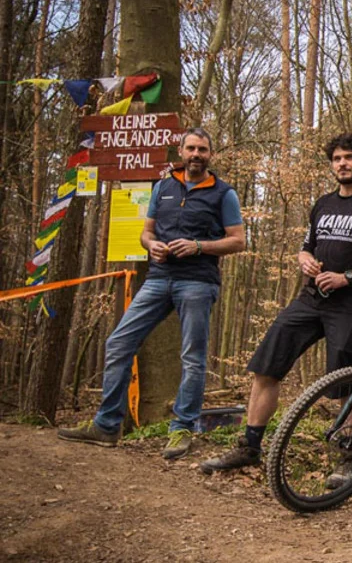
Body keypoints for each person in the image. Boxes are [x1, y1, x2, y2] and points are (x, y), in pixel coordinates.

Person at [198, 133, 352, 483]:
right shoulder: (322, 204)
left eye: (349, 157)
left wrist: (347, 277)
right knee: (266, 366)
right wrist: (305, 260)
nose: (342, 164)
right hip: (310, 299)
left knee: (345, 382)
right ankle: (250, 446)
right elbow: (307, 247)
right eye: (336, 158)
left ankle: (345, 458)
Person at [58, 127, 246, 460]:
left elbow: (238, 240)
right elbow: (146, 232)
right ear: (181, 150)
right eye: (191, 148)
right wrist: (152, 246)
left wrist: (199, 245)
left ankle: (182, 429)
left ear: (210, 155)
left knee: (192, 358)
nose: (196, 155)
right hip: (159, 277)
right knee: (118, 342)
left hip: (198, 282)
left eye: (202, 149)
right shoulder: (163, 187)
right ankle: (106, 425)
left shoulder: (223, 193)